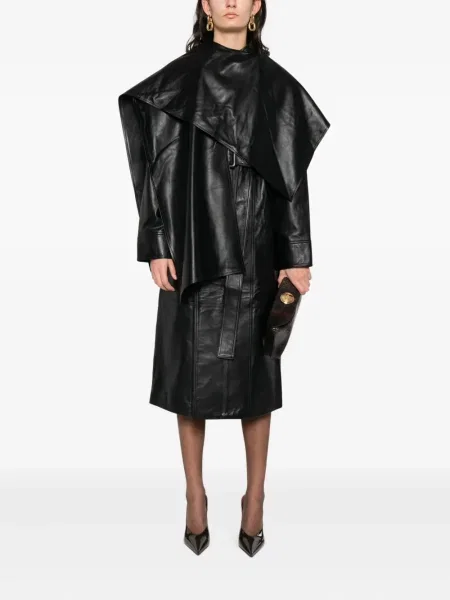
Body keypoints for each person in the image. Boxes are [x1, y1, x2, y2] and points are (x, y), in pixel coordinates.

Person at [118, 0, 330, 557]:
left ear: (257, 6)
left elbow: (292, 181)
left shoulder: (277, 88)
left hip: (259, 248)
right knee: (190, 377)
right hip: (193, 249)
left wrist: (296, 255)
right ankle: (195, 495)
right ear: (206, 7)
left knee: (258, 379)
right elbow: (152, 167)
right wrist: (156, 242)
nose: (231, 0)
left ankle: (254, 497)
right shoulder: (175, 83)